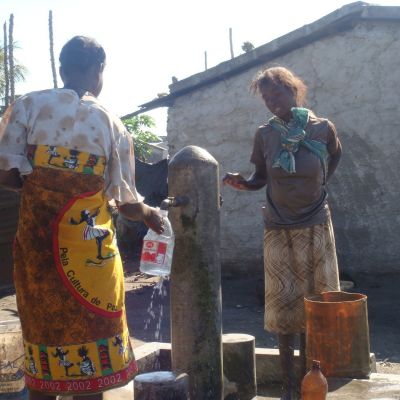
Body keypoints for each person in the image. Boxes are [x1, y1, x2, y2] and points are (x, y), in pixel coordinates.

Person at [0, 36, 164, 400]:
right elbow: (127, 203)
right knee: (93, 352)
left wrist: (39, 185)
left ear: (62, 68)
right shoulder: (111, 123)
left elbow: (5, 172)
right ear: (98, 70)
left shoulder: (26, 106)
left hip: (39, 253)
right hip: (93, 261)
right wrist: (153, 215)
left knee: (43, 344)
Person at [223, 66, 342, 400]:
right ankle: (290, 386)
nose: (272, 101)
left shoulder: (322, 129)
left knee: (315, 304)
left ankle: (311, 379)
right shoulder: (266, 134)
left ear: (294, 90)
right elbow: (260, 176)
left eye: (277, 93)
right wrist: (243, 183)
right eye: (266, 97)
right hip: (278, 228)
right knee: (282, 307)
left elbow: (336, 155)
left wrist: (321, 184)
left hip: (316, 224)